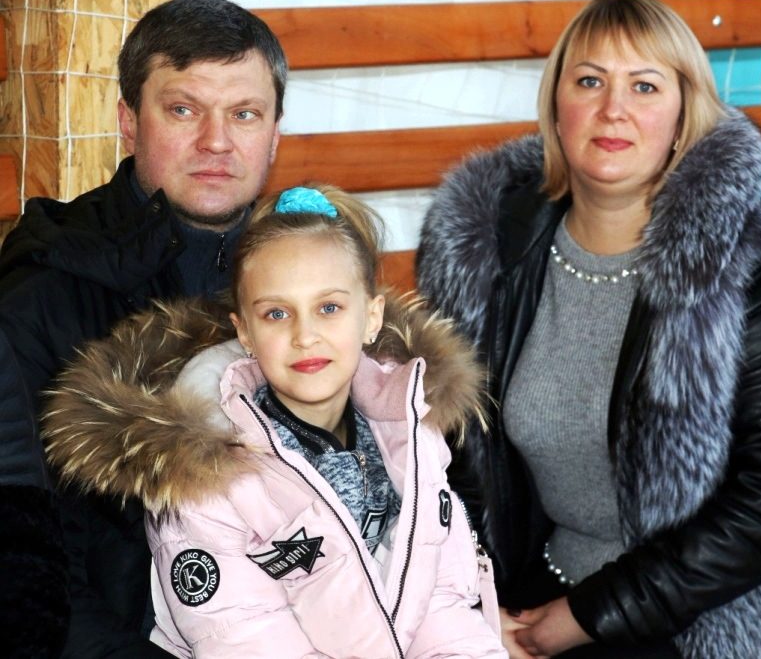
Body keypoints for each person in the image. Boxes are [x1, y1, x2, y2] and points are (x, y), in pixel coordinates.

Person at [416, 0, 761, 659]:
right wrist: (471, 604)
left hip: (725, 604)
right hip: (537, 590)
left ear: (682, 118)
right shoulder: (486, 255)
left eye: (644, 86)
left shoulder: (751, 269)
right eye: (590, 81)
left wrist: (588, 615)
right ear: (556, 105)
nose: (614, 109)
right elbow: (454, 467)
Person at [43, 184, 508, 658]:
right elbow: (245, 637)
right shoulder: (211, 476)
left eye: (329, 308)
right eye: (277, 313)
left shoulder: (412, 434)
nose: (305, 335)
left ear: (372, 318)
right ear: (244, 332)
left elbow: (442, 604)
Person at [0, 0, 285, 658]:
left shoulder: (313, 282)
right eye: (183, 110)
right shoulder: (40, 297)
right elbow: (30, 578)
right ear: (128, 121)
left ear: (275, 133)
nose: (217, 141)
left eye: (244, 114)